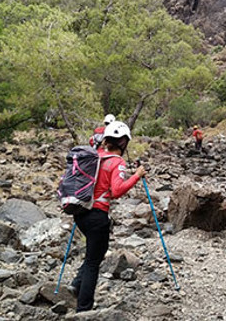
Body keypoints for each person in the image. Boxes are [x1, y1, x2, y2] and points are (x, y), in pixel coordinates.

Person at [71, 120, 146, 312]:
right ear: (123, 143)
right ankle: (84, 309)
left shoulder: (95, 156)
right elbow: (117, 190)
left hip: (80, 213)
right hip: (98, 216)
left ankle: (77, 284)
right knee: (93, 262)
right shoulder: (117, 162)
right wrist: (136, 175)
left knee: (93, 254)